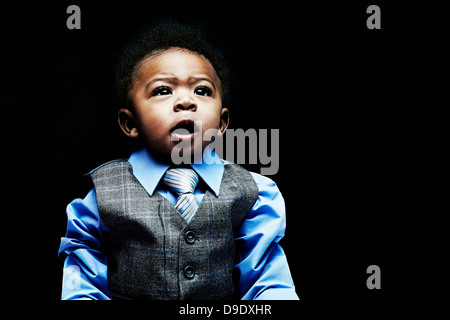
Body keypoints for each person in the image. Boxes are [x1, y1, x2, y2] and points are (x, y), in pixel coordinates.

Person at [58, 20, 298, 300]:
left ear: (222, 124)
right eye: (162, 90)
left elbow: (268, 282)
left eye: (202, 91)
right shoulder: (102, 195)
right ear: (129, 122)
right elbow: (83, 282)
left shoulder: (253, 193)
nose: (186, 101)